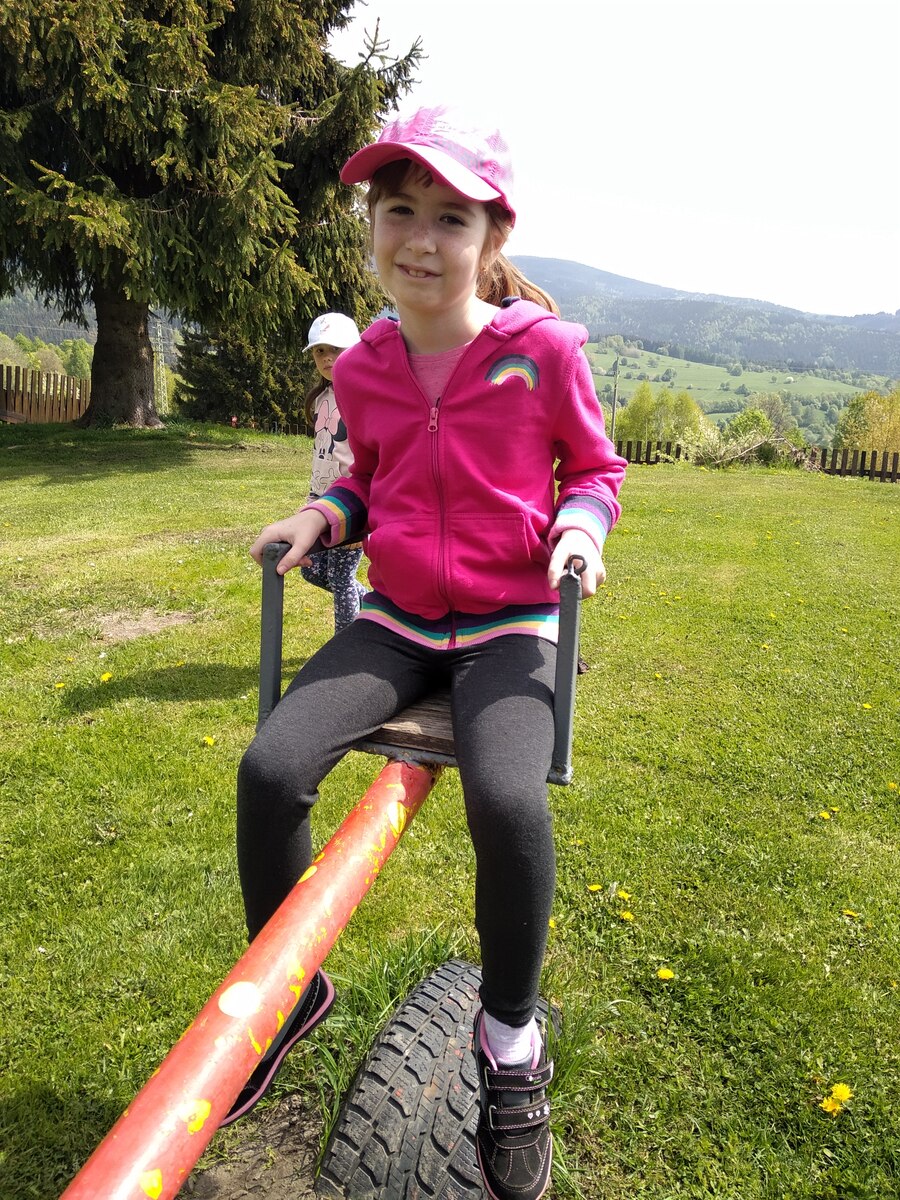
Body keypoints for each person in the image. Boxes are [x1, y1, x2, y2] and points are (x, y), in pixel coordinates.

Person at [229, 106, 627, 1200]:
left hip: (509, 625)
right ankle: (289, 987)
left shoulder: (541, 353)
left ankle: (511, 1041)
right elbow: (369, 477)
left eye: (451, 217)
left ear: (492, 238)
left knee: (506, 799)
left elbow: (596, 471)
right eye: (398, 210)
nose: (419, 238)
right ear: (370, 226)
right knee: (269, 769)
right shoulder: (364, 365)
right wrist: (323, 517)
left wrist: (580, 528)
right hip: (399, 621)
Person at [298, 312, 366, 633]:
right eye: (319, 351)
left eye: (336, 349)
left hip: (350, 501)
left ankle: (346, 645)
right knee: (311, 569)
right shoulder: (321, 398)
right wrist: (312, 498)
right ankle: (372, 606)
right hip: (322, 499)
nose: (327, 358)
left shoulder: (364, 395)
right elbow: (322, 452)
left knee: (341, 577)